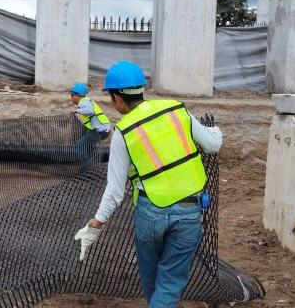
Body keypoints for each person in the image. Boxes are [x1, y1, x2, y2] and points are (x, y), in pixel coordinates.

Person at [73, 60, 222, 308]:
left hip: (150, 214)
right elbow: (213, 145)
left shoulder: (124, 131)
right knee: (170, 282)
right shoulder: (175, 110)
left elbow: (115, 190)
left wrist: (96, 224)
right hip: (188, 211)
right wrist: (216, 132)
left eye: (111, 97)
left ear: (117, 96)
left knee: (152, 279)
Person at [70, 82, 111, 170]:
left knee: (80, 144)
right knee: (86, 143)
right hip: (102, 130)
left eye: (72, 95)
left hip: (100, 131)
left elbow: (90, 111)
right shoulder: (86, 101)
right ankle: (90, 166)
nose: (71, 98)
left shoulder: (84, 101)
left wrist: (77, 111)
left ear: (78, 95)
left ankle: (87, 169)